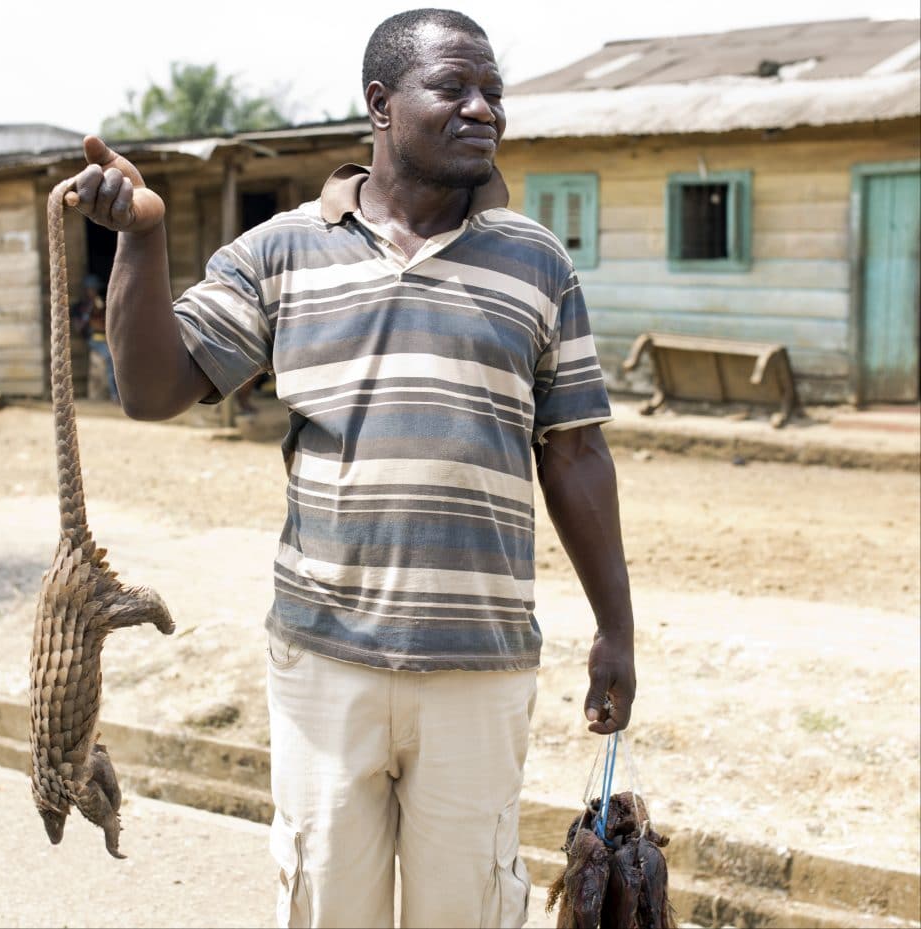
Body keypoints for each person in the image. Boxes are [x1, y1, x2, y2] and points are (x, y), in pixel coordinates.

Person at [67, 9, 636, 927]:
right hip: (324, 662)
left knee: (470, 909)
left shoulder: (536, 261)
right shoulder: (280, 251)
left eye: (493, 90)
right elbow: (154, 388)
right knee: (328, 905)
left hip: (480, 668)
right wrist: (142, 235)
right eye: (453, 88)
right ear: (380, 103)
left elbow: (575, 452)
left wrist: (618, 627)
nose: (482, 108)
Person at [70, 273, 118, 403]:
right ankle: (115, 395)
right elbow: (79, 328)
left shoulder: (100, 304)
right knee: (109, 358)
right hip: (94, 339)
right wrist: (88, 311)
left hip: (106, 338)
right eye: (92, 289)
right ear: (87, 290)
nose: (95, 291)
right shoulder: (79, 307)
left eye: (95, 289)